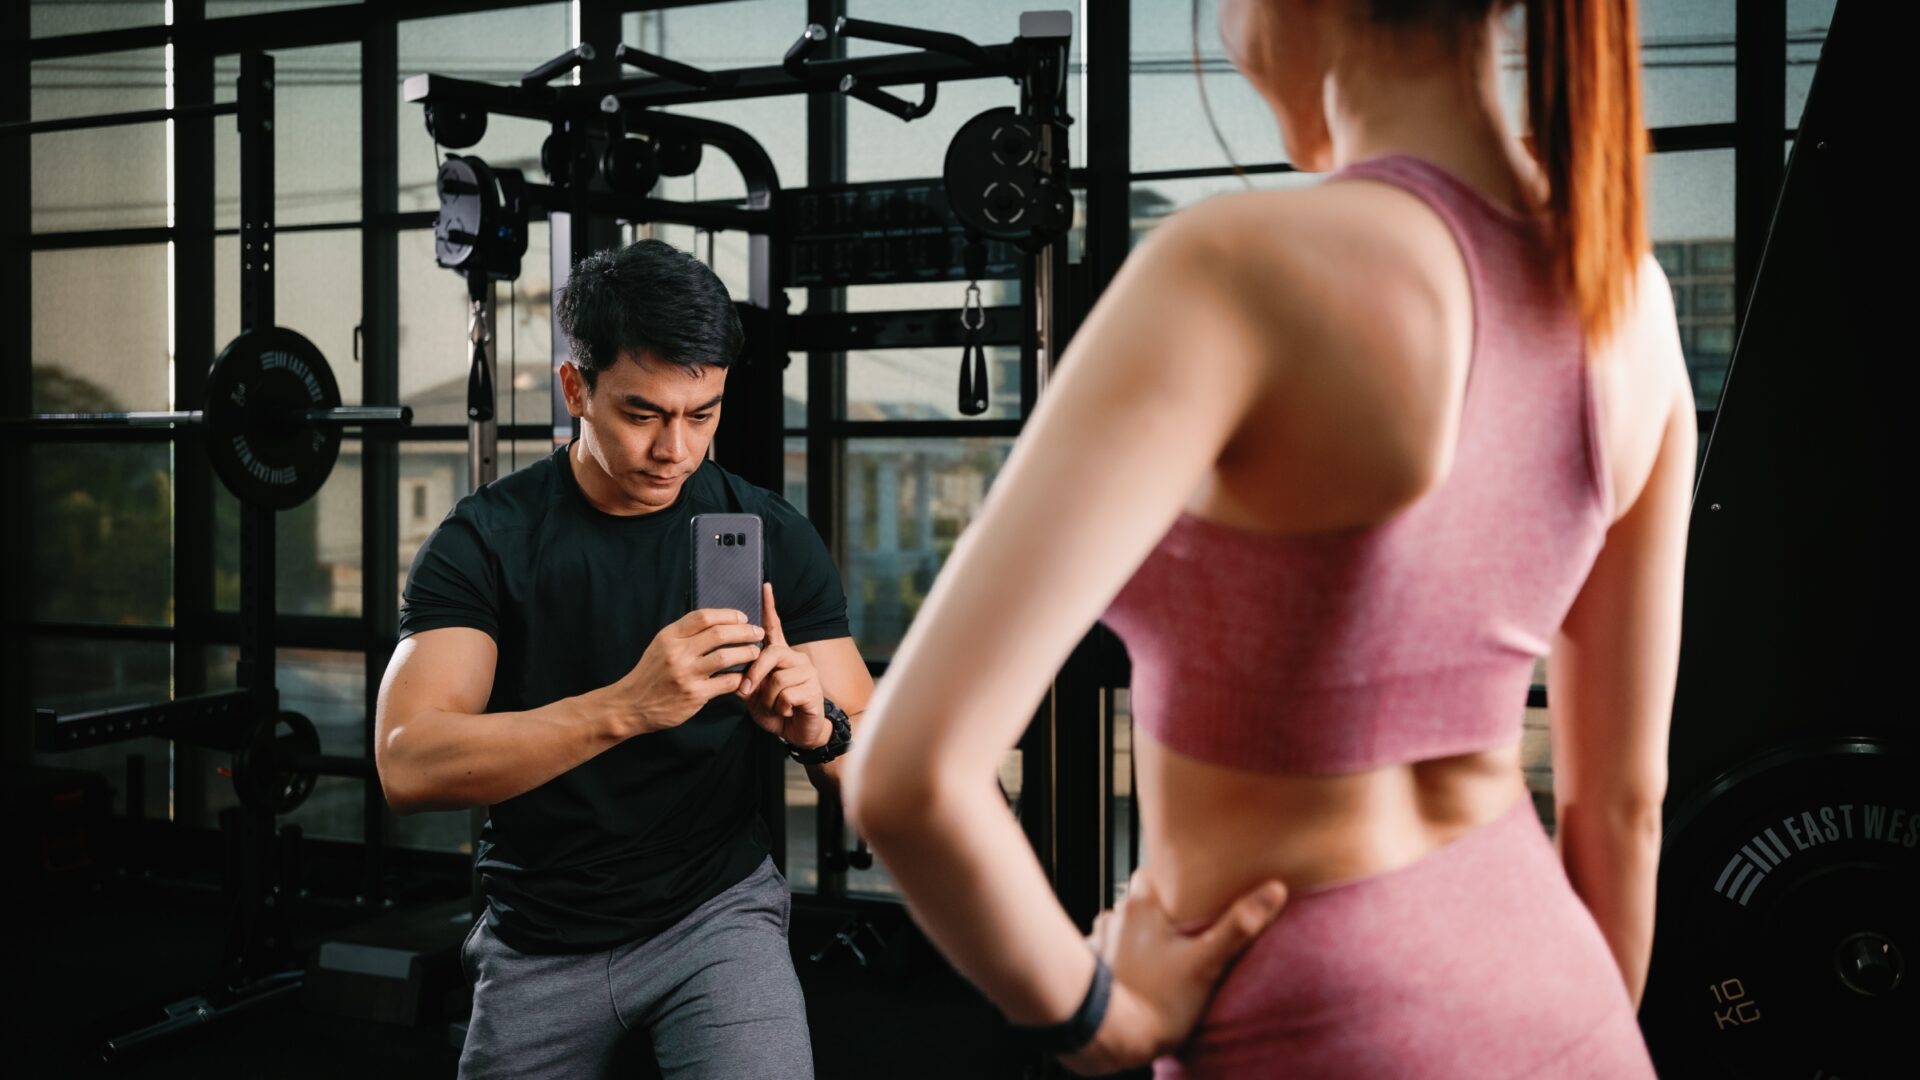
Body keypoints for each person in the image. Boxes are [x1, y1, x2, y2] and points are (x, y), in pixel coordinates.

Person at [845, 0, 1689, 1075]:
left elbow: (907, 780)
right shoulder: (1631, 298)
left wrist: (1102, 1019)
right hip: (1570, 1006)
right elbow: (1621, 809)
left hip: (1321, 1028)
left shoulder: (1236, 264)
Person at [374, 239, 874, 1079]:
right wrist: (628, 706)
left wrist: (816, 731)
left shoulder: (771, 535)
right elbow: (407, 766)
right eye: (643, 414)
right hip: (539, 934)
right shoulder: (486, 541)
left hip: (715, 914)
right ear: (577, 388)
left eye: (702, 413)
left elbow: (882, 780)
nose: (675, 449)